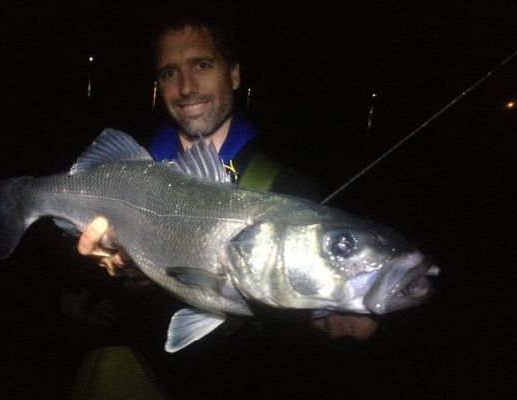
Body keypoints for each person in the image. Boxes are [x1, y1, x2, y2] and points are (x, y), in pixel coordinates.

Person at [77, 4, 377, 342]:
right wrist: (125, 278)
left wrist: (319, 316)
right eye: (169, 73)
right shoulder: (123, 171)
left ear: (233, 74)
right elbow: (94, 297)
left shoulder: (291, 191)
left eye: (202, 65)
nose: (186, 87)